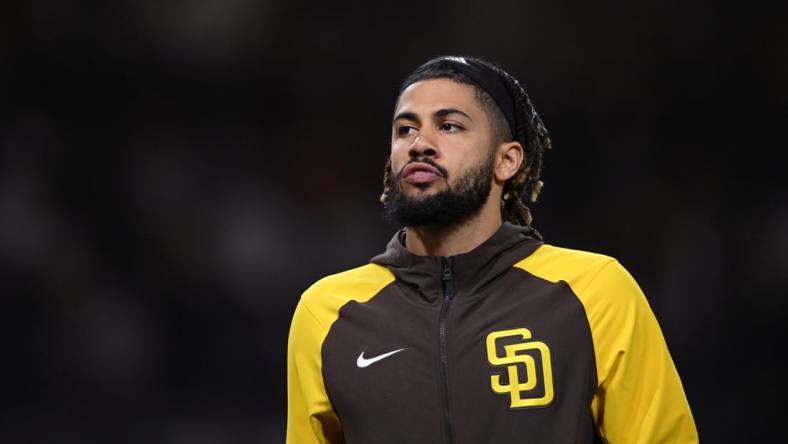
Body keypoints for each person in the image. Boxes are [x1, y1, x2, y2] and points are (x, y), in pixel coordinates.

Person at [286, 56, 698, 443]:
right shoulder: (327, 314)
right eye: (405, 129)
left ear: (507, 160)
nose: (419, 144)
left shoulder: (594, 293)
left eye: (449, 126)